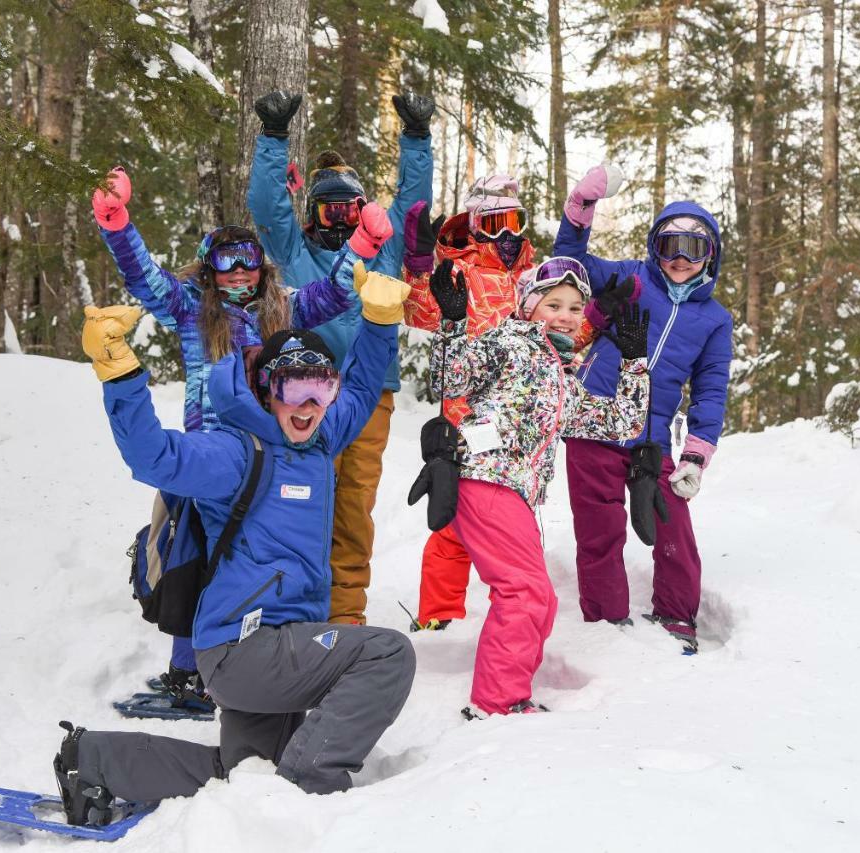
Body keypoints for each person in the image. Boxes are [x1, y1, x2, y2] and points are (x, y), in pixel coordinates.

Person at [52, 259, 416, 823]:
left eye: (321, 387)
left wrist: (380, 320)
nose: (310, 405)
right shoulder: (235, 451)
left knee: (247, 774)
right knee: (387, 653)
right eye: (295, 387)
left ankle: (95, 761)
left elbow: (366, 384)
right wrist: (120, 373)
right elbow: (155, 456)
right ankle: (312, 788)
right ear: (269, 389)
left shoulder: (320, 440)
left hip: (277, 647)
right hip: (245, 648)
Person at [92, 167, 392, 701]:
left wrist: (362, 244)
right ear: (209, 271)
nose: (237, 275)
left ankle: (258, 659)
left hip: (269, 451)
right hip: (210, 453)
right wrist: (117, 225)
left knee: (246, 559)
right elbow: (146, 280)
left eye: (248, 264)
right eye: (225, 265)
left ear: (261, 269)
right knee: (196, 555)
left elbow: (337, 291)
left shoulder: (284, 306)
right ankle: (189, 668)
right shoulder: (191, 309)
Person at [426, 256, 650, 716]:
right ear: (529, 307)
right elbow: (448, 378)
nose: (565, 315)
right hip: (485, 478)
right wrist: (451, 321)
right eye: (554, 304)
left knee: (541, 600)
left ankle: (510, 692)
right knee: (524, 592)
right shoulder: (510, 342)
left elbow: (621, 422)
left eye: (574, 307)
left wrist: (634, 363)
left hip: (517, 494)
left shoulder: (564, 376)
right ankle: (497, 703)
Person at [247, 90, 434, 625]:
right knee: (300, 494)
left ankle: (344, 614)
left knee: (353, 502)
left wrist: (416, 138)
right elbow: (267, 206)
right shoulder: (294, 252)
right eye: (333, 211)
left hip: (369, 393)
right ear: (313, 215)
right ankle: (292, 604)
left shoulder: (386, 248)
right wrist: (274, 137)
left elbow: (412, 200)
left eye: (354, 211)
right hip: (303, 391)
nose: (345, 222)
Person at [401, 176, 600, 631]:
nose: (505, 236)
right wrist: (417, 267)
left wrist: (598, 322)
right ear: (474, 226)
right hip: (469, 409)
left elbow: (566, 335)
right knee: (455, 520)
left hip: (523, 418)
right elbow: (422, 313)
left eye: (514, 222)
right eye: (492, 224)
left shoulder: (536, 277)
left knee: (510, 519)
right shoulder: (464, 272)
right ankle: (438, 615)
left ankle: (512, 607)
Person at [553, 163, 734, 655]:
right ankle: (607, 622)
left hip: (650, 440)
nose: (679, 258)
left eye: (693, 249)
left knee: (672, 522)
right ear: (655, 247)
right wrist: (580, 211)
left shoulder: (715, 320)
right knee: (601, 531)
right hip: (593, 425)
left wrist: (695, 456)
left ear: (710, 256)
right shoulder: (630, 278)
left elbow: (712, 390)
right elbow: (566, 266)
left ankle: (677, 616)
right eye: (669, 245)